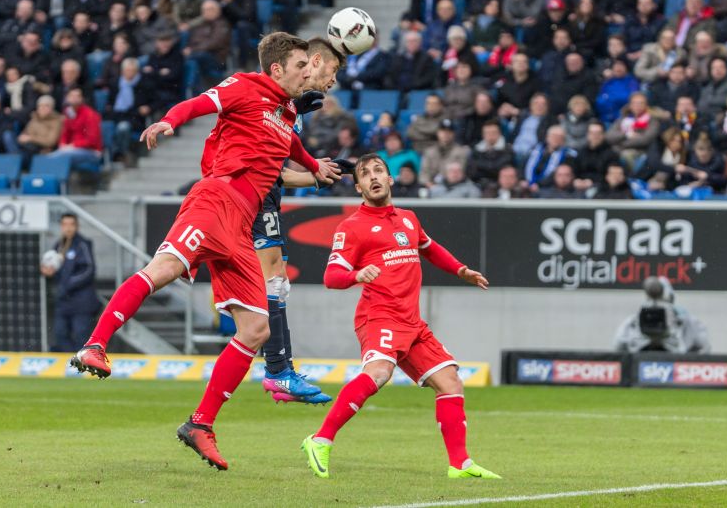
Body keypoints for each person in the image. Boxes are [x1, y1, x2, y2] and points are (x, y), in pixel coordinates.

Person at [70, 33, 339, 471]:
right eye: (301, 67)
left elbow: (289, 143)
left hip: (241, 224)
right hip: (216, 200)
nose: (309, 73)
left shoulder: (286, 110)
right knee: (164, 269)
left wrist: (313, 167)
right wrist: (167, 122)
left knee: (255, 330)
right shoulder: (244, 86)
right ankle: (95, 345)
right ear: (277, 69)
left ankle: (200, 424)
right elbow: (197, 104)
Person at [301, 153, 499, 480]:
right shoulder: (352, 227)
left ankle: (460, 464)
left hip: (411, 321)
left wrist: (460, 269)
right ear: (359, 188)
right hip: (379, 316)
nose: (373, 177)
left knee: (450, 381)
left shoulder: (408, 218)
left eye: (379, 171)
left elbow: (429, 247)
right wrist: (356, 275)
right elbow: (331, 277)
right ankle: (320, 439)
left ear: (391, 179)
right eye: (365, 174)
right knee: (379, 373)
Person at [253, 38, 345, 406]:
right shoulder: (277, 98)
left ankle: (280, 368)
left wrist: (324, 173)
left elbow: (279, 172)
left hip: (266, 193)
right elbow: (264, 160)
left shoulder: (294, 108)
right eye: (333, 70)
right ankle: (278, 370)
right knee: (271, 277)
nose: (333, 80)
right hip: (251, 194)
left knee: (275, 279)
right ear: (315, 61)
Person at [41, 213, 101, 352]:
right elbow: (55, 270)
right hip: (64, 301)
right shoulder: (58, 246)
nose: (68, 228)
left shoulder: (83, 244)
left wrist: (67, 284)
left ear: (77, 226)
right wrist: (48, 273)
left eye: (71, 224)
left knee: (81, 335)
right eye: (65, 225)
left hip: (82, 301)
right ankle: (70, 365)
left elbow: (89, 270)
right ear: (61, 227)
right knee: (60, 333)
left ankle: (82, 367)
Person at [614, 276, 710, 354]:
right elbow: (619, 345)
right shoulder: (635, 320)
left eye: (664, 303)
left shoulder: (685, 320)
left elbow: (704, 348)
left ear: (671, 300)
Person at [48, 88, 103, 169]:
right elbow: (65, 133)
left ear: (82, 99)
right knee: (52, 156)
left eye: (77, 96)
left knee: (59, 156)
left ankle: (59, 180)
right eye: (72, 96)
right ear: (67, 98)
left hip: (91, 152)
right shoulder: (68, 112)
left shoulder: (90, 114)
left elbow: (92, 140)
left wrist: (73, 145)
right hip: (72, 150)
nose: (74, 98)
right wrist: (62, 144)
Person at [419, 119, 469, 187]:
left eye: (449, 132)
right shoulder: (429, 152)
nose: (446, 134)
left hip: (453, 188)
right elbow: (424, 173)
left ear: (453, 134)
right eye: (443, 131)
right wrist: (430, 186)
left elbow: (459, 174)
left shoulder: (460, 151)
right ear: (438, 133)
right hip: (430, 188)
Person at [467, 119, 514, 187]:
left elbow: (497, 168)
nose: (490, 136)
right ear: (483, 134)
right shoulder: (476, 149)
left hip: (500, 186)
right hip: (479, 184)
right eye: (487, 133)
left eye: (493, 133)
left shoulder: (507, 149)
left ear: (499, 133)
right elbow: (471, 172)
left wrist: (481, 167)